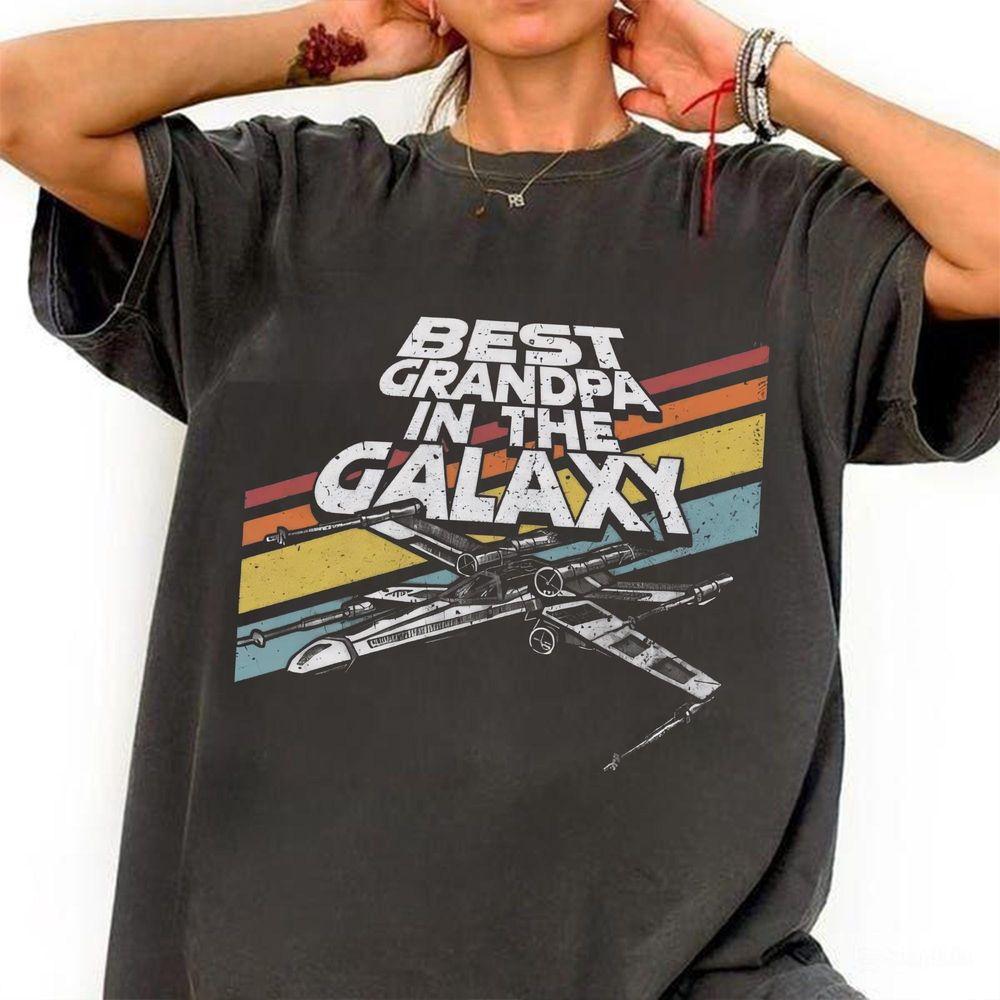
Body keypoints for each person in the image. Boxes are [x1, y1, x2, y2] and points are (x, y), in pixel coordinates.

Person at [1, 0, 997, 996]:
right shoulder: (282, 207)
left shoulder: (778, 229)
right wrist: (337, 36)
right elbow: (23, 104)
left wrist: (764, 74)